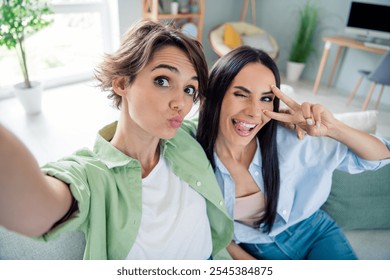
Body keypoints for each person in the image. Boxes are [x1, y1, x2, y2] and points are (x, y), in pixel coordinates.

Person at [0, 19, 233, 260]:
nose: (181, 103)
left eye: (189, 89)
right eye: (162, 81)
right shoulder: (92, 174)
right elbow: (35, 213)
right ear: (122, 83)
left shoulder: (186, 137)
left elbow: (240, 119)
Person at [196, 45, 390, 260]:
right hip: (255, 249)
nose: (253, 112)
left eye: (266, 98)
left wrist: (333, 127)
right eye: (241, 94)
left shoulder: (293, 137)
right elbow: (211, 229)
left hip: (315, 232)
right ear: (214, 94)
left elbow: (381, 157)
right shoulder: (191, 157)